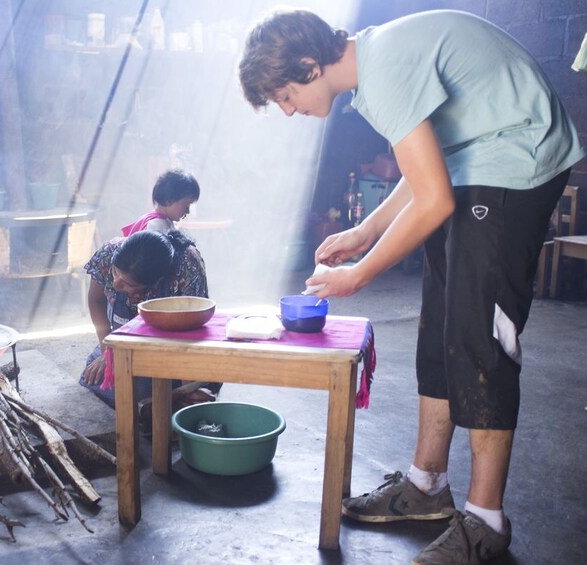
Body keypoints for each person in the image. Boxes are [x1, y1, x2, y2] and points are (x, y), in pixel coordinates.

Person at [239, 8, 583, 564]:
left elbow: (435, 200)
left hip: (518, 158)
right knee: (442, 327)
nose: (288, 111)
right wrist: (364, 230)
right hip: (477, 156)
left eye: (283, 96)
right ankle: (425, 487)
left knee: (480, 337)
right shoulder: (375, 70)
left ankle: (486, 522)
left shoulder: (387, 68)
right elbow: (426, 166)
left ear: (308, 66)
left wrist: (360, 273)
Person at [80, 230, 218, 414]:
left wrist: (188, 384)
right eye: (115, 273)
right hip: (124, 343)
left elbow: (194, 326)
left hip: (174, 346)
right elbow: (96, 301)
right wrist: (108, 351)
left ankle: (174, 396)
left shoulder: (187, 265)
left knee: (141, 390)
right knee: (94, 377)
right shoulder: (109, 252)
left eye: (130, 285)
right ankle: (166, 400)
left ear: (156, 281)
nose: (116, 284)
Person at [121, 169, 200, 236]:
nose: (188, 211)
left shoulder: (162, 221)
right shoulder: (156, 225)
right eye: (186, 205)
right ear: (169, 200)